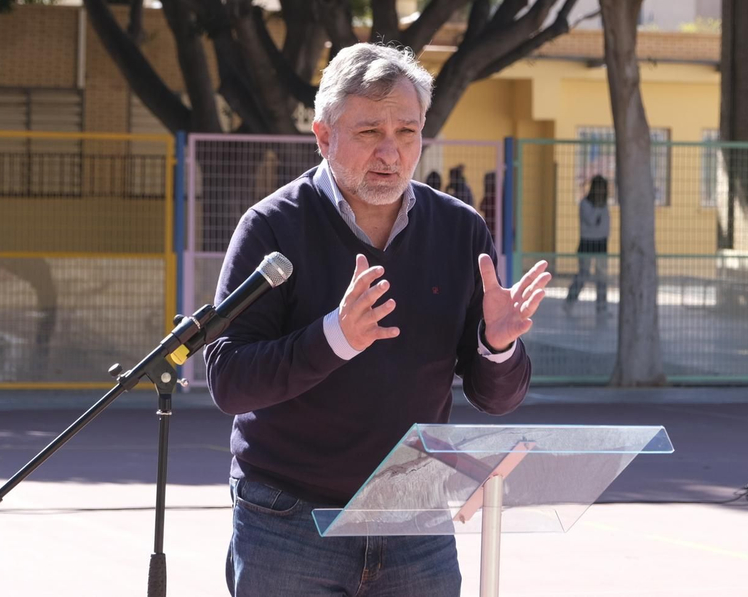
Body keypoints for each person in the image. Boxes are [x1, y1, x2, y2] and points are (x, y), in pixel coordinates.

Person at [205, 43, 550, 596]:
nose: (391, 152)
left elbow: (496, 398)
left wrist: (498, 347)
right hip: (288, 521)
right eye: (369, 132)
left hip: (415, 520)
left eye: (407, 132)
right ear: (323, 136)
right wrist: (335, 337)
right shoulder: (271, 227)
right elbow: (229, 380)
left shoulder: (460, 230)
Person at [563, 175, 611, 313]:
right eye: (599, 188)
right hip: (587, 242)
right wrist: (598, 208)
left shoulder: (605, 205)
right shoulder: (585, 204)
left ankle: (602, 307)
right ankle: (569, 302)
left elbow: (605, 225)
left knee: (602, 276)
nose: (601, 191)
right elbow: (591, 220)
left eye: (603, 188)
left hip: (601, 243)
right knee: (583, 274)